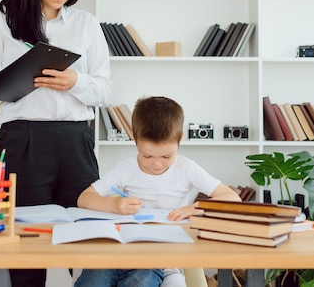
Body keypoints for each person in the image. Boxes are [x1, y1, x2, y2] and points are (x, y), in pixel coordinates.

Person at [0, 0, 111, 287]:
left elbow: (105, 91)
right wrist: (21, 79)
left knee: (86, 243)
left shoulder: (86, 24)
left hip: (76, 142)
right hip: (22, 141)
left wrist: (74, 81)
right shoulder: (1, 17)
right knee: (25, 251)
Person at [74, 96, 241, 287]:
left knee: (139, 281)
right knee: (92, 281)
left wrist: (196, 208)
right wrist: (113, 204)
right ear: (135, 141)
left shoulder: (186, 168)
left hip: (160, 257)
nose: (156, 163)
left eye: (166, 156)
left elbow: (232, 198)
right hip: (119, 252)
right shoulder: (125, 169)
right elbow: (84, 198)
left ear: (180, 139)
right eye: (146, 155)